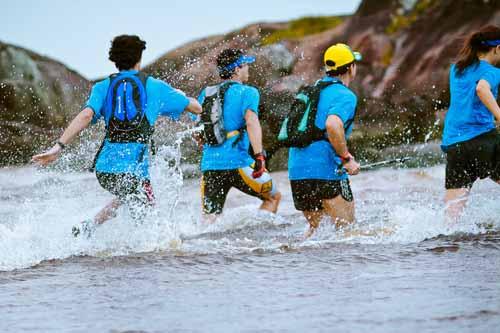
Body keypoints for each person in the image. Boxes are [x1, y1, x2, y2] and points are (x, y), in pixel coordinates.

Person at [32, 35, 202, 237]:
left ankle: (90, 228)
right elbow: (196, 107)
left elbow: (86, 115)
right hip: (134, 171)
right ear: (139, 58)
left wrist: (57, 147)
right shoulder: (154, 86)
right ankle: (141, 256)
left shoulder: (102, 87)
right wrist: (178, 94)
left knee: (128, 196)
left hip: (105, 171)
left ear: (115, 60)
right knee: (151, 221)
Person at [196, 48, 281, 221]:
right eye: (245, 66)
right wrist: (259, 156)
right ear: (236, 69)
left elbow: (197, 130)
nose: (247, 69)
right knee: (273, 197)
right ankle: (255, 242)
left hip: (210, 165)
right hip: (239, 163)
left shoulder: (206, 94)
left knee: (210, 218)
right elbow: (251, 122)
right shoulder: (248, 92)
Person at [288, 43, 362, 238]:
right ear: (350, 68)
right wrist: (346, 158)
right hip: (326, 171)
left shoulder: (312, 90)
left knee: (315, 234)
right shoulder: (346, 96)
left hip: (297, 172)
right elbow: (333, 124)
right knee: (348, 233)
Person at [441, 25, 500, 222]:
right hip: (483, 140)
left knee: (451, 218)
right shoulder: (492, 72)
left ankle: (450, 247)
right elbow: (482, 89)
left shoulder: (456, 69)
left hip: (454, 144)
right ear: (497, 49)